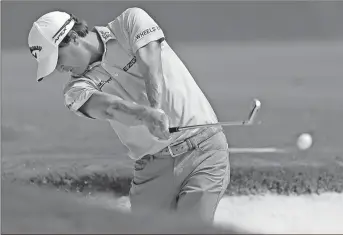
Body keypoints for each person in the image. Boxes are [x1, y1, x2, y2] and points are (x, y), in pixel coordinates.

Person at [28, 7, 230, 222]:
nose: (58, 68)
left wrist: (155, 108)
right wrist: (145, 115)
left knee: (192, 228)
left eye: (56, 58)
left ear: (74, 37)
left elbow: (151, 65)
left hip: (204, 149)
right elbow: (109, 107)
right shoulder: (75, 89)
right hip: (151, 170)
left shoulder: (129, 22)